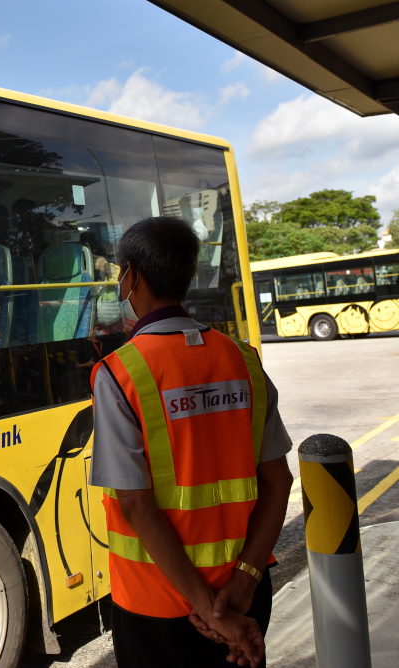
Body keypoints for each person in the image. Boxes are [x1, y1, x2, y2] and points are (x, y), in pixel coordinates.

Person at [89, 216, 293, 668]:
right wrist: (242, 585)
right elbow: (279, 481)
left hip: (157, 604)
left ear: (132, 276)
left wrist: (206, 607)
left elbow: (137, 505)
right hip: (247, 597)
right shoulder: (243, 360)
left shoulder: (120, 374)